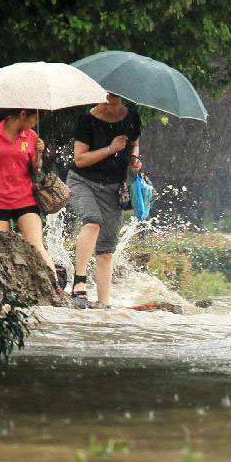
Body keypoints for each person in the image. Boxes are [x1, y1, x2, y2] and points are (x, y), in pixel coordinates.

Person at [0, 109, 59, 287]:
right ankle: (14, 290)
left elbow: (36, 170)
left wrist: (39, 154)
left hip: (25, 200)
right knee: (2, 250)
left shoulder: (31, 136)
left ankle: (56, 288)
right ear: (22, 115)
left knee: (36, 246)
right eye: (32, 119)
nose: (34, 124)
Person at [67, 93, 142, 309]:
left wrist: (135, 159)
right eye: (107, 93)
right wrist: (110, 149)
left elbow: (135, 144)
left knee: (107, 249)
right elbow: (79, 160)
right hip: (83, 181)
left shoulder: (132, 117)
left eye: (116, 94)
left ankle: (103, 304)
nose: (111, 98)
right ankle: (79, 283)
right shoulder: (87, 119)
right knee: (92, 221)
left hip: (113, 187)